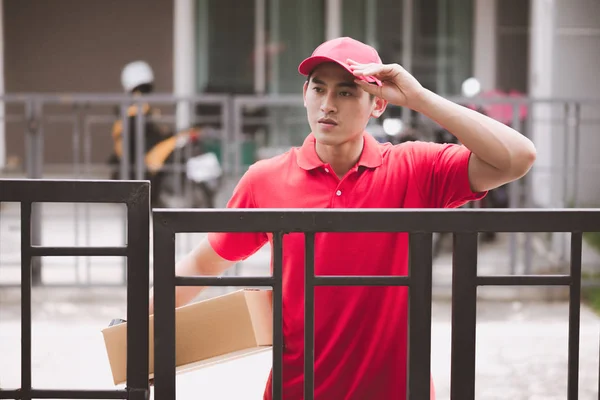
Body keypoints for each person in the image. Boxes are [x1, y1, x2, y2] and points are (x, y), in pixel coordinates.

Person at [148, 37, 536, 399]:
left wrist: (418, 99)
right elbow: (202, 263)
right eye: (318, 88)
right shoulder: (265, 179)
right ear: (305, 95)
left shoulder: (413, 167)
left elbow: (517, 158)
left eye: (346, 92)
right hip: (299, 389)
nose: (327, 104)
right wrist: (137, 324)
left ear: (378, 103)